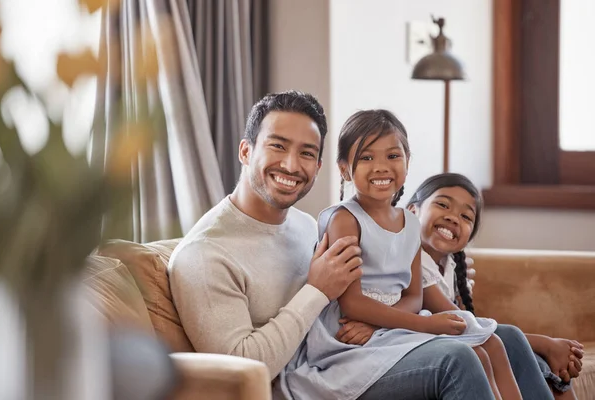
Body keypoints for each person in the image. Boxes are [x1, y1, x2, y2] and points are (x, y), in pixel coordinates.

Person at [169, 92, 497, 400]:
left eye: (307, 153)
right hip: (306, 381)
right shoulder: (205, 256)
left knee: (500, 339)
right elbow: (244, 370)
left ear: (320, 166)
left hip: (353, 353)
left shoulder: (304, 224)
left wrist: (440, 266)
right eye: (278, 146)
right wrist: (317, 290)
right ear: (245, 151)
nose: (291, 165)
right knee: (456, 360)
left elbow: (377, 279)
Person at [280, 109, 522, 400]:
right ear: (344, 169)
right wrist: (425, 324)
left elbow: (413, 296)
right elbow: (352, 303)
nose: (381, 167)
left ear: (408, 162)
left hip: (386, 326)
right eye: (367, 158)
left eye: (393, 156)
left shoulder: (409, 224)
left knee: (489, 347)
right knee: (469, 354)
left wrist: (382, 323)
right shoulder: (345, 220)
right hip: (347, 341)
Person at [406, 172, 585, 400]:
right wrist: (545, 343)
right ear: (413, 211)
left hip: (448, 342)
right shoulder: (414, 259)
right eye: (443, 204)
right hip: (424, 347)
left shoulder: (449, 266)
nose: (453, 218)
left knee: (546, 367)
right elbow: (462, 324)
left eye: (466, 217)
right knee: (511, 337)